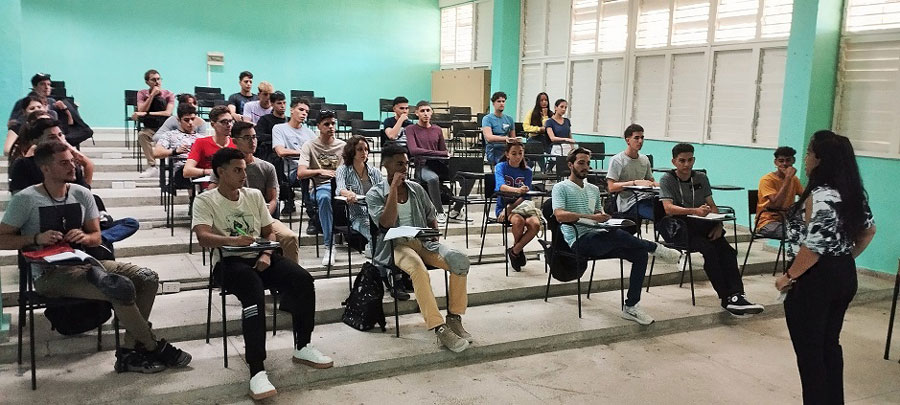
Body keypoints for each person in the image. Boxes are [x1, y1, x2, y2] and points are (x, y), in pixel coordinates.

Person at [0, 141, 191, 374]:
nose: (72, 166)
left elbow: (96, 238)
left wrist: (84, 236)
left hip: (86, 263)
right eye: (64, 163)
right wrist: (37, 237)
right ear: (45, 169)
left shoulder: (81, 193)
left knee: (147, 277)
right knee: (119, 288)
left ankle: (129, 351)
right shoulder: (26, 199)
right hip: (50, 274)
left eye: (72, 160)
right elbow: (3, 239)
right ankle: (154, 346)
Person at [193, 147, 332, 400]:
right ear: (221, 172)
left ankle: (303, 345)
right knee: (253, 291)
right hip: (228, 264)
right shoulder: (205, 200)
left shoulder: (254, 195)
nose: (243, 175)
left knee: (303, 280)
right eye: (237, 170)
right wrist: (235, 242)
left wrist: (267, 255)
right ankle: (257, 370)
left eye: (244, 169)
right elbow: (203, 237)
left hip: (260, 257)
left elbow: (269, 231)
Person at [774, 131, 876, 404]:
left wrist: (788, 276)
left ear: (820, 159)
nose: (805, 159)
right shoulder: (850, 192)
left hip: (814, 280)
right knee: (829, 345)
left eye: (808, 153)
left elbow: (814, 248)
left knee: (810, 354)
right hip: (843, 275)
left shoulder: (819, 196)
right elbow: (868, 231)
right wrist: (844, 258)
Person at [552, 147, 681, 325]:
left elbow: (598, 212)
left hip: (599, 234)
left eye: (587, 163)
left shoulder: (593, 189)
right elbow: (559, 215)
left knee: (638, 254)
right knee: (618, 235)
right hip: (579, 240)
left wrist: (603, 217)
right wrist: (591, 217)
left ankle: (631, 307)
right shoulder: (561, 187)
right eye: (581, 163)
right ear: (570, 164)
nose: (585, 167)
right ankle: (654, 248)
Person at [366, 144, 472, 352]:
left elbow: (431, 216)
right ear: (385, 165)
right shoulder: (375, 193)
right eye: (399, 164)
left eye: (406, 163)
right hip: (394, 246)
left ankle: (454, 317)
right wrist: (394, 189)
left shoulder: (416, 188)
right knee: (419, 271)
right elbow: (386, 223)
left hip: (423, 242)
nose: (404, 168)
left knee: (459, 260)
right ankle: (438, 327)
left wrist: (434, 235)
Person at [659, 143, 765, 317]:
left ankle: (738, 295)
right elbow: (668, 208)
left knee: (728, 252)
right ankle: (726, 298)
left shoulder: (700, 177)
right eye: (682, 161)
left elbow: (712, 206)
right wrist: (694, 211)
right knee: (710, 251)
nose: (686, 164)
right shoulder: (667, 179)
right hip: (681, 228)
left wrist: (718, 225)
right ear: (674, 161)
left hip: (704, 225)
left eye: (690, 160)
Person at [209, 121, 300, 263]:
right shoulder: (224, 166)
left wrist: (263, 217)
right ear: (235, 141)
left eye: (254, 137)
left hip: (261, 217)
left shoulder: (267, 167)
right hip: (232, 218)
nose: (252, 141)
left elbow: (273, 199)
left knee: (289, 237)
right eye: (247, 138)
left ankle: (291, 280)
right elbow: (212, 193)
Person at [297, 110, 346, 266]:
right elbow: (301, 172)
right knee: (325, 198)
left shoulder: (343, 146)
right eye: (326, 124)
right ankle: (329, 246)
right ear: (318, 126)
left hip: (340, 185)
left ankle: (367, 241)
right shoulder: (309, 145)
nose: (331, 127)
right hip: (320, 187)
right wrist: (320, 171)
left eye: (333, 123)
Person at [493, 140, 540, 271]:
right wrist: (509, 207)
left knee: (535, 224)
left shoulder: (527, 171)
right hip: (504, 207)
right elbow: (500, 187)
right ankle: (518, 251)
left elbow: (525, 195)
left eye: (520, 153)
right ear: (507, 154)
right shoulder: (501, 166)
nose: (518, 156)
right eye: (514, 153)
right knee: (518, 221)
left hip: (522, 206)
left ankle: (515, 250)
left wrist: (518, 197)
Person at [272, 98, 317, 231]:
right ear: (291, 110)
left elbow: (317, 154)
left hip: (309, 169)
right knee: (303, 172)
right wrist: (304, 153)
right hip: (289, 172)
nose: (304, 114)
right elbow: (280, 151)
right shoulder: (279, 128)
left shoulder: (310, 133)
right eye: (301, 110)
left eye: (307, 112)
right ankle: (312, 216)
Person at [335, 136, 383, 252]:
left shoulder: (375, 172)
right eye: (360, 149)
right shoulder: (343, 170)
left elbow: (383, 190)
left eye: (366, 149)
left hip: (377, 214)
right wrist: (348, 193)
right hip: (358, 216)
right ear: (352, 151)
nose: (364, 153)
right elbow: (340, 189)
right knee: (374, 235)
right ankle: (375, 258)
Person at [406, 100, 450, 222]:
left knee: (468, 175)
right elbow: (414, 150)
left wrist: (441, 154)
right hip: (422, 166)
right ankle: (439, 212)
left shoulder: (437, 129)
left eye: (428, 110)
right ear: (416, 113)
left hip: (438, 165)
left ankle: (456, 210)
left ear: (431, 113)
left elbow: (444, 151)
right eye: (422, 111)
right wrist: (439, 153)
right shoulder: (411, 129)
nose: (425, 113)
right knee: (432, 178)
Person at [606, 124, 657, 220]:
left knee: (664, 209)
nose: (640, 141)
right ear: (627, 140)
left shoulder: (644, 159)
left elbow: (651, 181)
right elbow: (611, 187)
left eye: (642, 138)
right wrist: (634, 183)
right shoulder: (617, 160)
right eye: (636, 138)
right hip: (629, 202)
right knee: (657, 215)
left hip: (646, 198)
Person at [755, 146, 804, 238]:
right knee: (797, 234)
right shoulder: (767, 180)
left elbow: (805, 196)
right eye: (781, 161)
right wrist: (788, 179)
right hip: (767, 222)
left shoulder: (794, 179)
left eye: (788, 160)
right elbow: (777, 204)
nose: (785, 164)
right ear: (776, 162)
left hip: (786, 220)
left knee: (810, 231)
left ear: (793, 161)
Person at [135, 69, 175, 178]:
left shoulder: (168, 94)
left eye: (158, 79)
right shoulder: (142, 93)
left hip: (165, 128)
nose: (157, 82)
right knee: (142, 135)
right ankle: (152, 166)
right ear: (147, 82)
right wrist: (152, 95)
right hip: (150, 128)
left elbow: (168, 113)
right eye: (153, 80)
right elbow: (141, 110)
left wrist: (148, 113)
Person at [153, 104, 204, 189]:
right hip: (181, 171)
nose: (190, 123)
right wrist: (174, 151)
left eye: (192, 119)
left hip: (200, 168)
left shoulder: (201, 138)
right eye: (186, 120)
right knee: (188, 171)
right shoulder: (169, 135)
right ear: (179, 120)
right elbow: (156, 153)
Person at [183, 106, 236, 179]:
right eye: (224, 122)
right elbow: (187, 171)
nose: (229, 125)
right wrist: (210, 172)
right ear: (212, 124)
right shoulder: (201, 143)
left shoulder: (236, 143)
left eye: (230, 121)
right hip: (209, 186)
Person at [481, 91, 517, 166]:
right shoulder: (487, 119)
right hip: (493, 148)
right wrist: (505, 138)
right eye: (499, 101)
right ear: (493, 104)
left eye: (503, 101)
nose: (501, 103)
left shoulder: (509, 119)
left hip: (507, 148)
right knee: (502, 161)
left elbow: (513, 137)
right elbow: (489, 137)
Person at [522, 92, 550, 171]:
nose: (544, 102)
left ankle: (547, 170)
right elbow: (526, 127)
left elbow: (547, 127)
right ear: (538, 102)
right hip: (534, 138)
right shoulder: (531, 113)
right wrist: (538, 129)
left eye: (546, 100)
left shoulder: (551, 114)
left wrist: (545, 116)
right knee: (536, 148)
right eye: (541, 100)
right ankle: (540, 170)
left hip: (547, 139)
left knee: (557, 150)